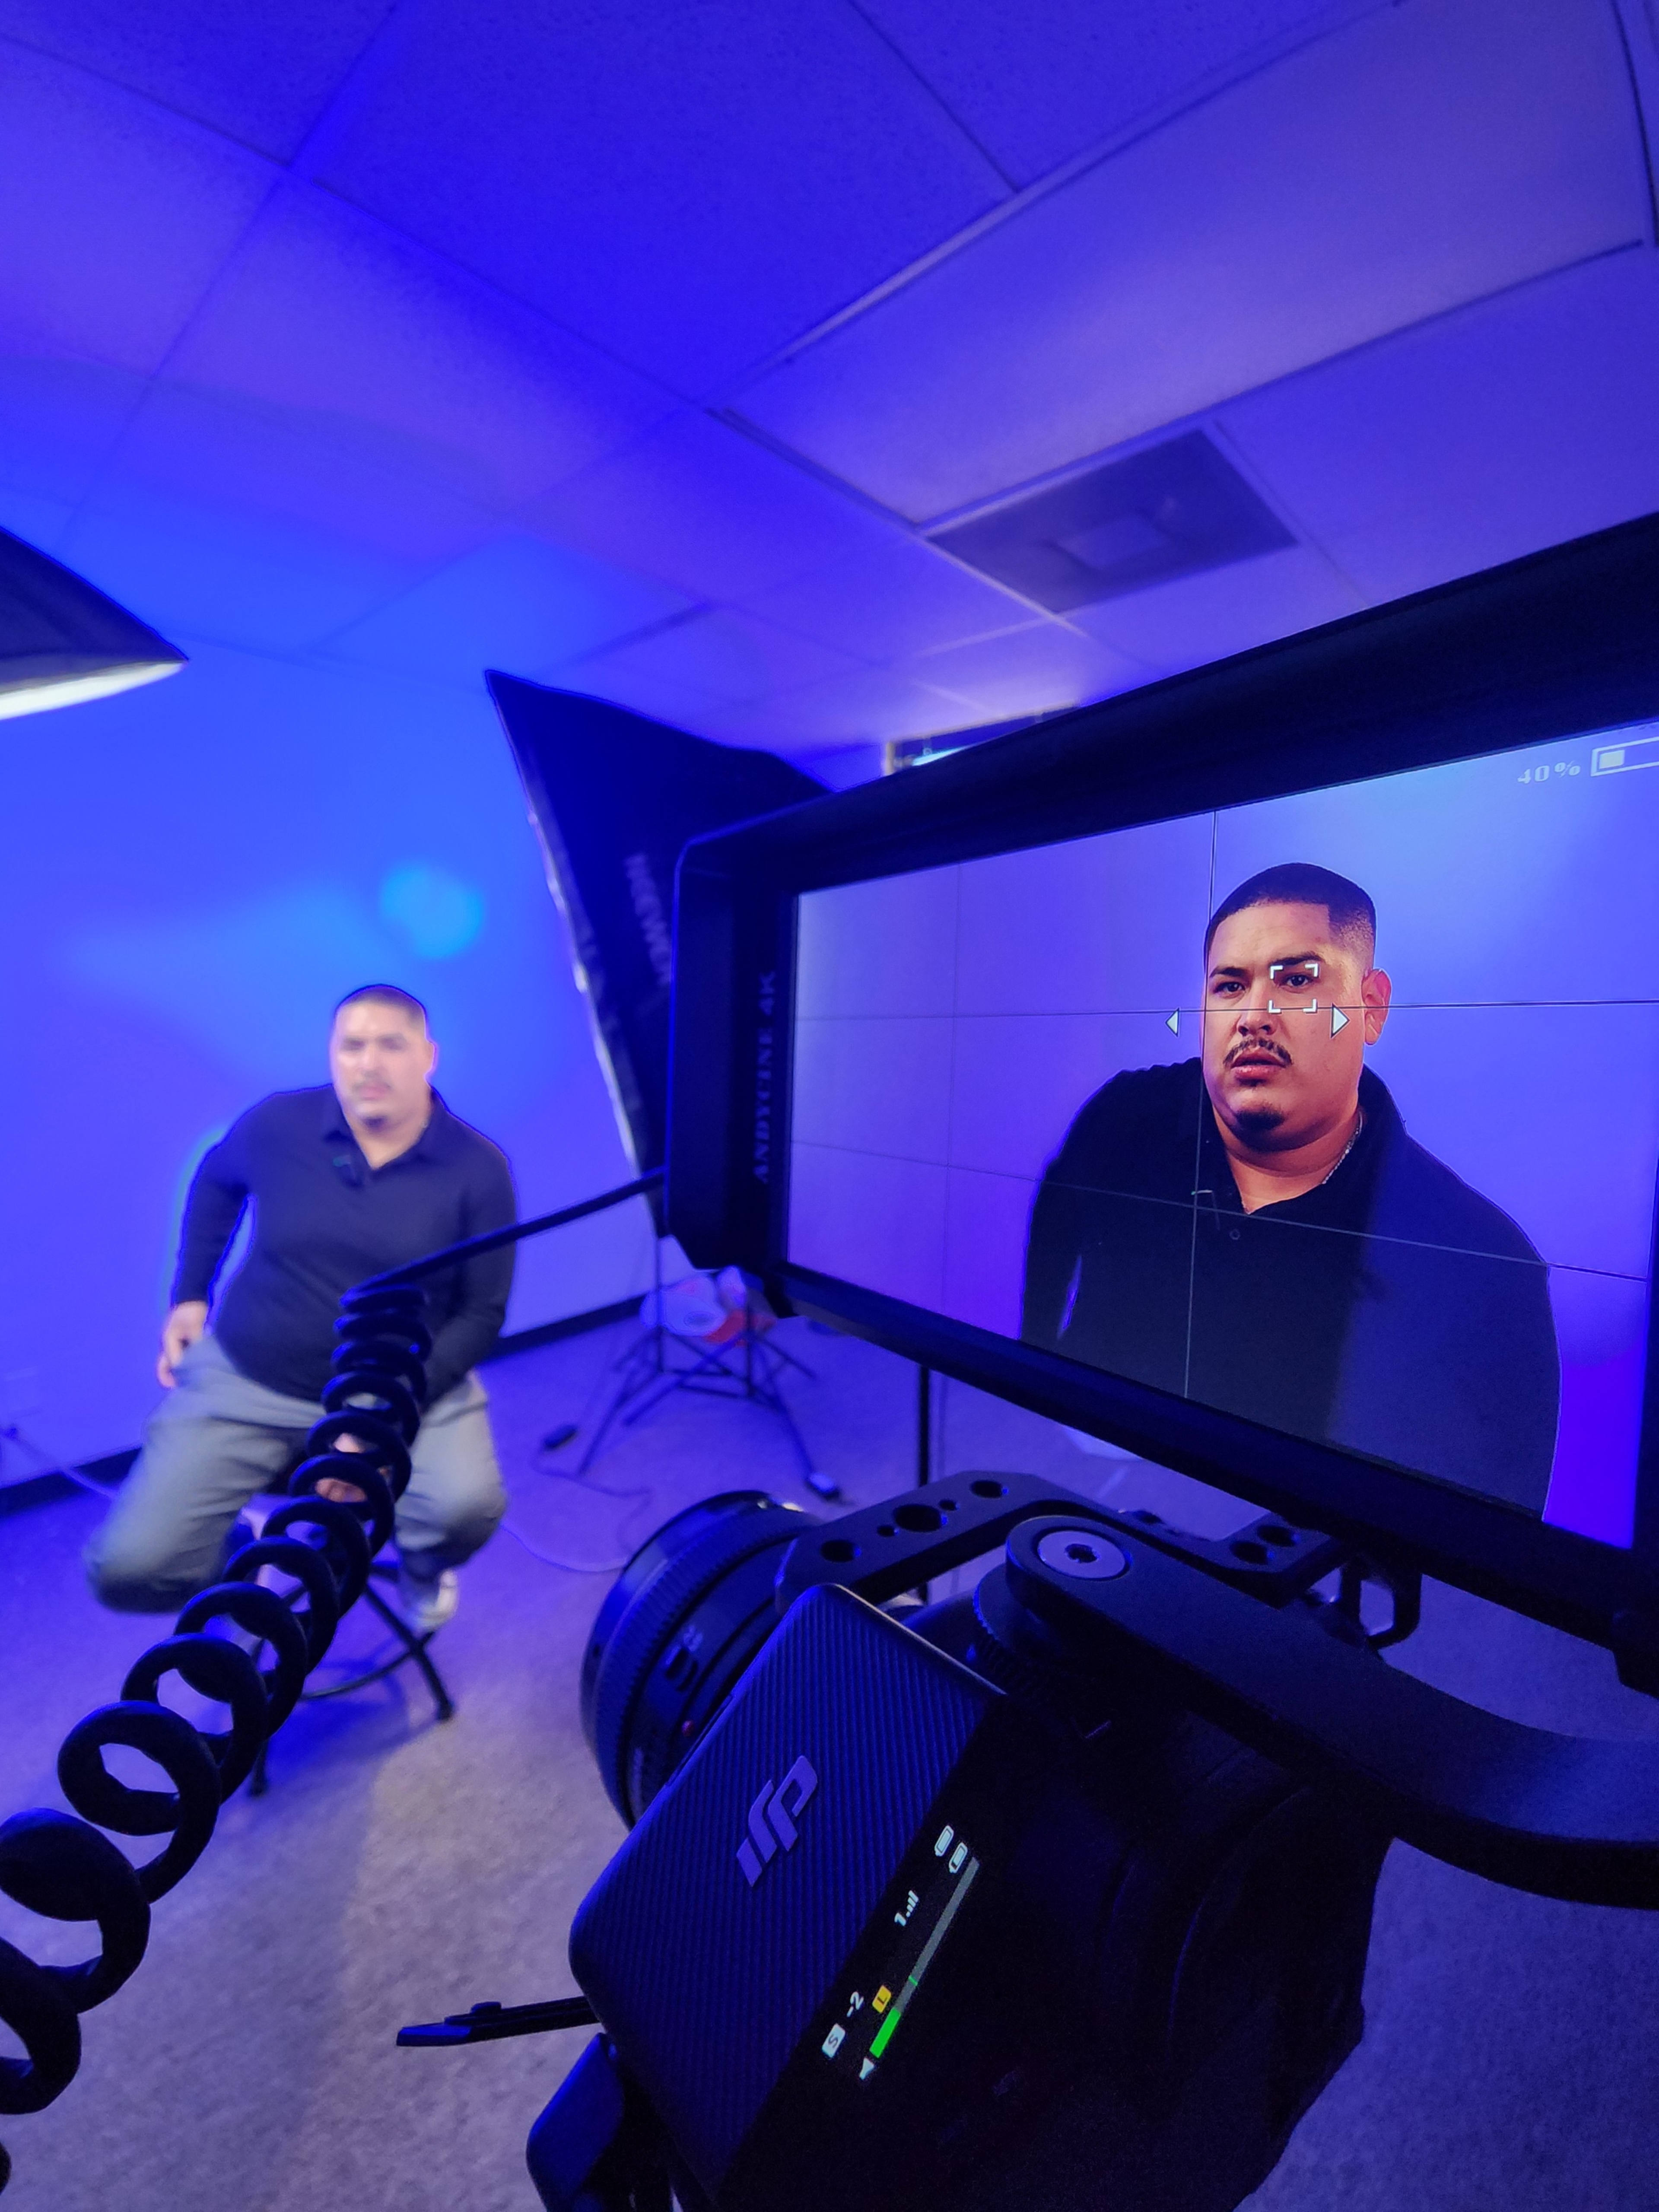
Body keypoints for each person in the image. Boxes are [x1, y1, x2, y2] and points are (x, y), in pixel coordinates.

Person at [1021, 863, 1560, 1510]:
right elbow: (1054, 1231)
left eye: (1297, 980)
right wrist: (1037, 1384)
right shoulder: (1124, 1116)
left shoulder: (1481, 1261)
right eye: (1229, 986)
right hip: (1081, 1513)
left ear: (1372, 1006)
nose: (1254, 1017)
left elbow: (1491, 1536)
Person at [86, 985, 516, 1630]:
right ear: (333, 1055)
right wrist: (189, 1296)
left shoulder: (478, 1169)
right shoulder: (277, 1125)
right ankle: (233, 1562)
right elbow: (215, 1179)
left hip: (401, 1389)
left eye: (390, 1045)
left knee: (464, 1512)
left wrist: (377, 1424)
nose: (368, 1064)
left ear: (427, 1056)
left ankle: (421, 1567)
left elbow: (481, 1314)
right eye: (352, 1046)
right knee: (128, 1571)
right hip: (250, 1374)